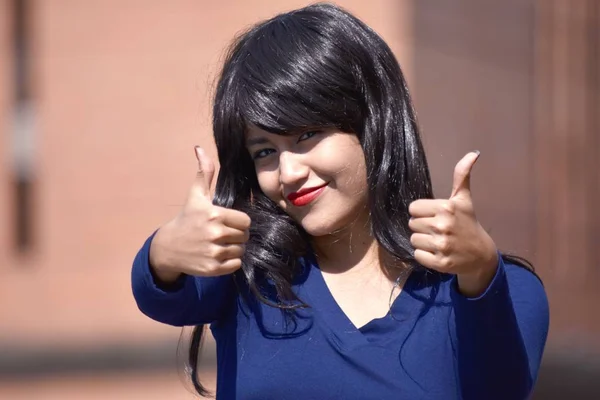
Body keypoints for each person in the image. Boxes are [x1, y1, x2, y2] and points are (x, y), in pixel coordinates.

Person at [131, 3, 549, 399]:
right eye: (264, 152)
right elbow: (162, 294)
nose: (288, 171)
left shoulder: (504, 290)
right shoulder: (249, 275)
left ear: (373, 121)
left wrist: (479, 272)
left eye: (306, 135)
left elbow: (501, 388)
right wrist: (166, 251)